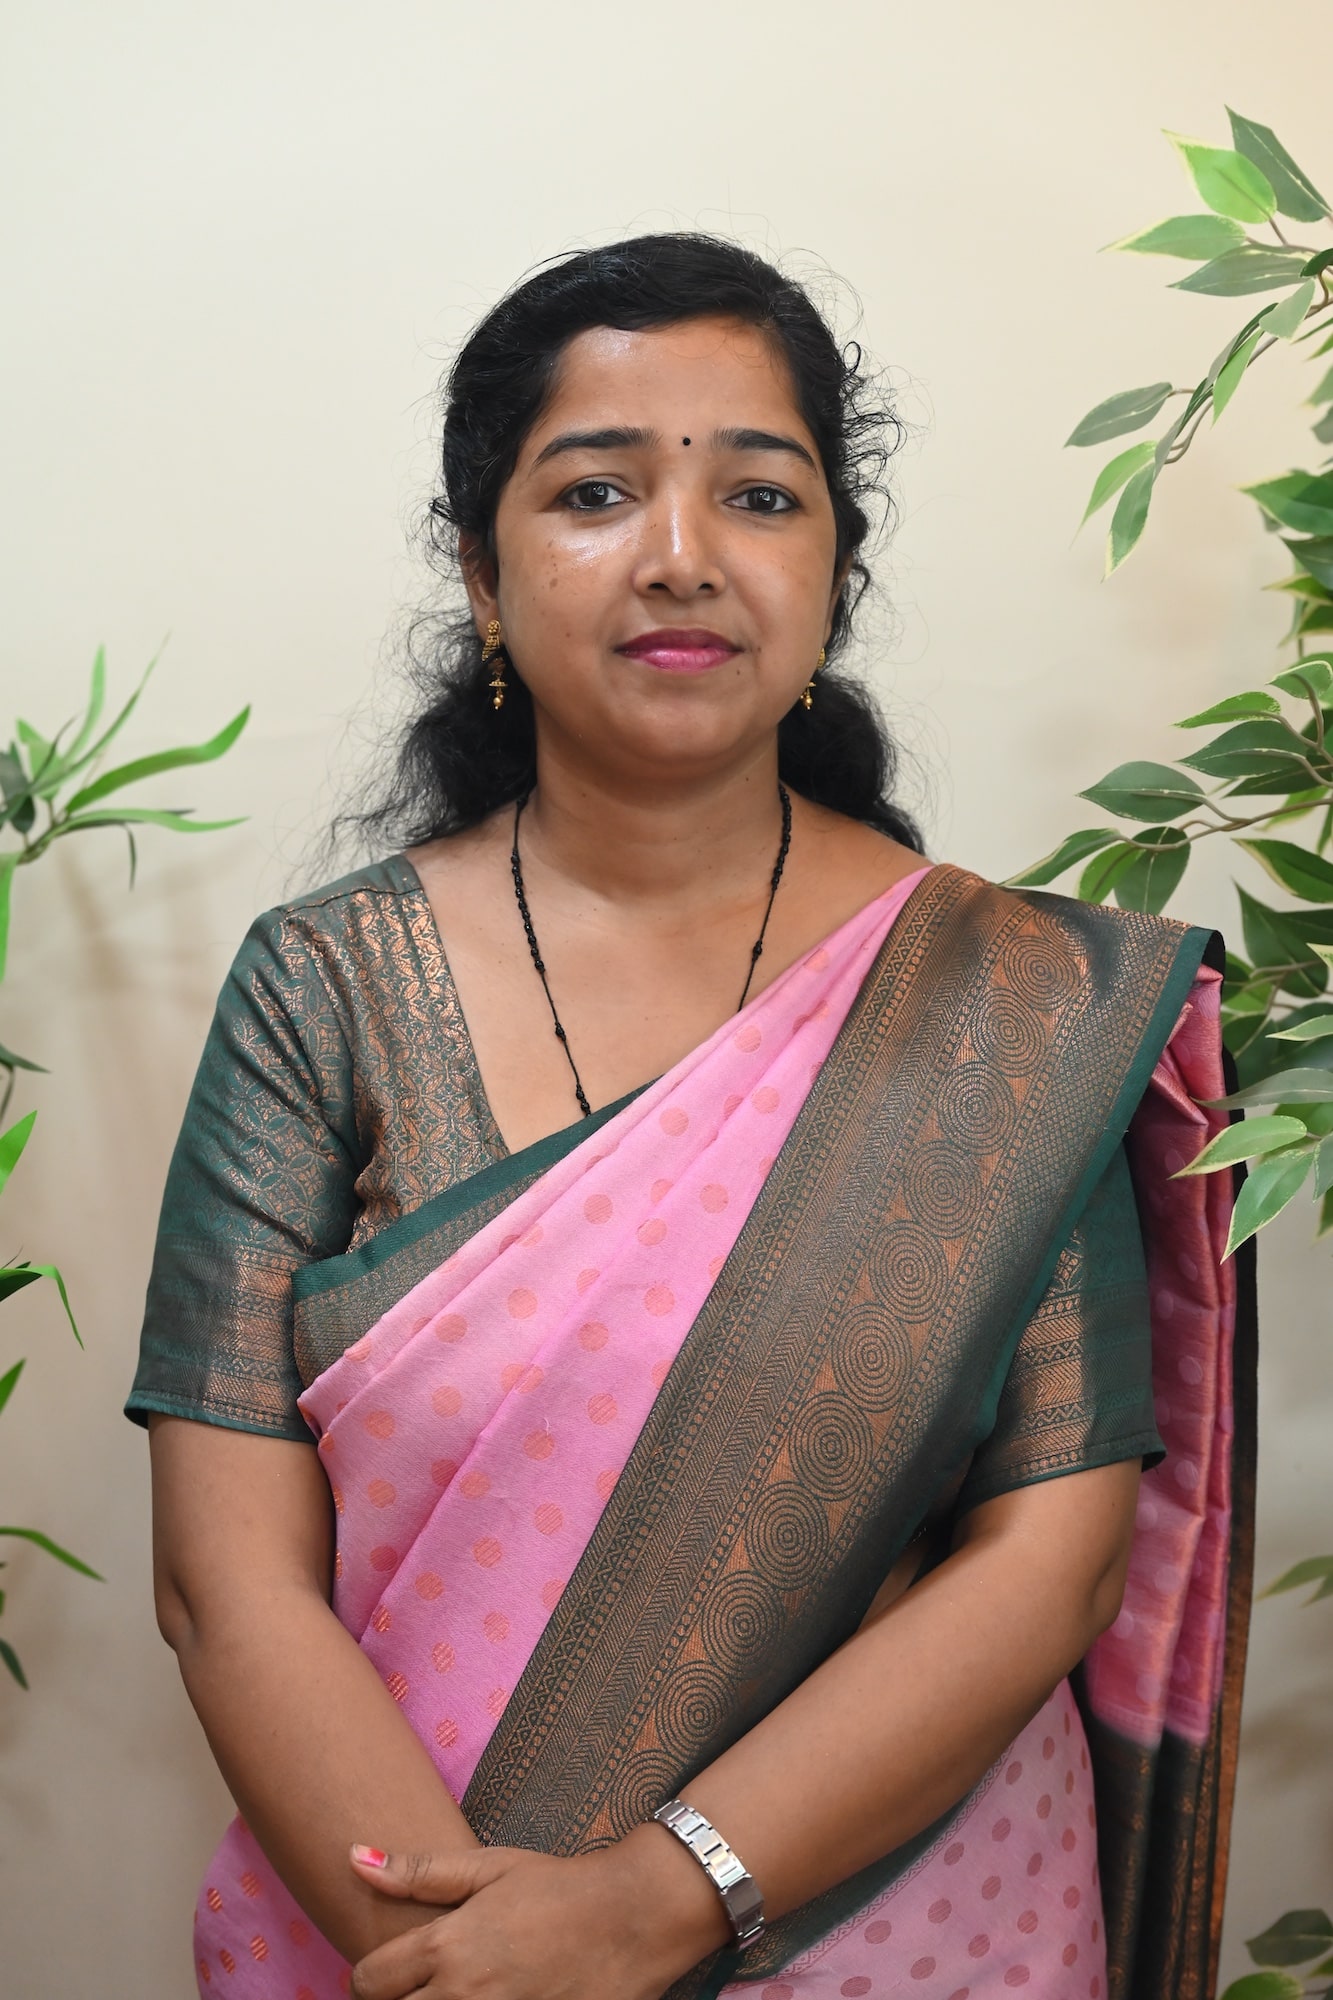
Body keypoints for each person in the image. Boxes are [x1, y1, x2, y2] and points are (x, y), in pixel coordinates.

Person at [128, 235, 1252, 2000]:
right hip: (391, 1928)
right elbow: (226, 1578)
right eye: (594, 491)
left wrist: (652, 1907)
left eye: (759, 495)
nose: (680, 555)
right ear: (481, 572)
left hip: (903, 1935)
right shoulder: (323, 987)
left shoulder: (1008, 1000)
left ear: (832, 572)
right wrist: (453, 1962)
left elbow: (1048, 1554)